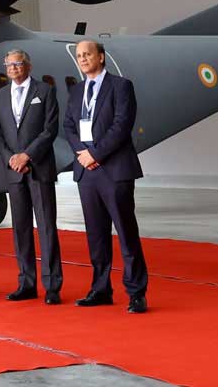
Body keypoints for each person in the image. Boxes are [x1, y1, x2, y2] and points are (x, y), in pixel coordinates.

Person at [63, 38, 149, 313]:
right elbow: (68, 126)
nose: (83, 58)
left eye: (88, 54)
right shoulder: (76, 91)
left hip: (114, 169)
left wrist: (95, 154)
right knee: (96, 234)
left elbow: (121, 125)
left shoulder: (121, 86)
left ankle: (136, 293)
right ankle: (100, 289)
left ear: (101, 57)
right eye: (79, 55)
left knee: (125, 232)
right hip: (86, 172)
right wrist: (82, 153)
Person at [0, 48, 62, 304]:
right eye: (9, 65)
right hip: (14, 171)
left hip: (38, 168)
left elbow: (50, 129)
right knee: (20, 229)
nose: (14, 68)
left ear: (28, 66)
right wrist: (11, 158)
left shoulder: (45, 91)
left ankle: (52, 285)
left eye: (18, 64)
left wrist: (27, 156)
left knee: (46, 228)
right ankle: (26, 283)